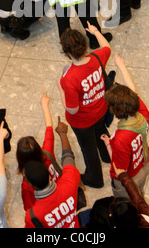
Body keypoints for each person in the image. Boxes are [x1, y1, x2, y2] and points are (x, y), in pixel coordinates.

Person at [57, 22, 111, 188]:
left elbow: (72, 109)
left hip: (82, 121)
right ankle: (109, 156)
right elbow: (106, 46)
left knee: (88, 149)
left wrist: (61, 89)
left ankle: (94, 178)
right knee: (101, 132)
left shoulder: (70, 78)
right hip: (100, 109)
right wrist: (95, 31)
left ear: (67, 53)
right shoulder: (96, 58)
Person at [102, 51, 149, 199]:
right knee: (139, 195)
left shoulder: (121, 138)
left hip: (129, 180)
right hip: (143, 165)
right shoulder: (143, 114)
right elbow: (133, 91)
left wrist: (108, 145)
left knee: (128, 205)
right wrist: (121, 66)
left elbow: (120, 170)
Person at [24, 116, 81, 228]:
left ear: (31, 185)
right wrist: (62, 133)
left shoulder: (33, 215)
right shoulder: (69, 183)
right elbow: (68, 157)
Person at [16, 90, 61, 211]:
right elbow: (49, 127)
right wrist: (45, 105)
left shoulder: (27, 184)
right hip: (58, 193)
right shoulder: (47, 153)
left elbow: (30, 208)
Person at [85, 164, 149, 228]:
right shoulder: (148, 219)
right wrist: (123, 176)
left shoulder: (148, 215)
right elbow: (138, 199)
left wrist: (123, 176)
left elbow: (138, 200)